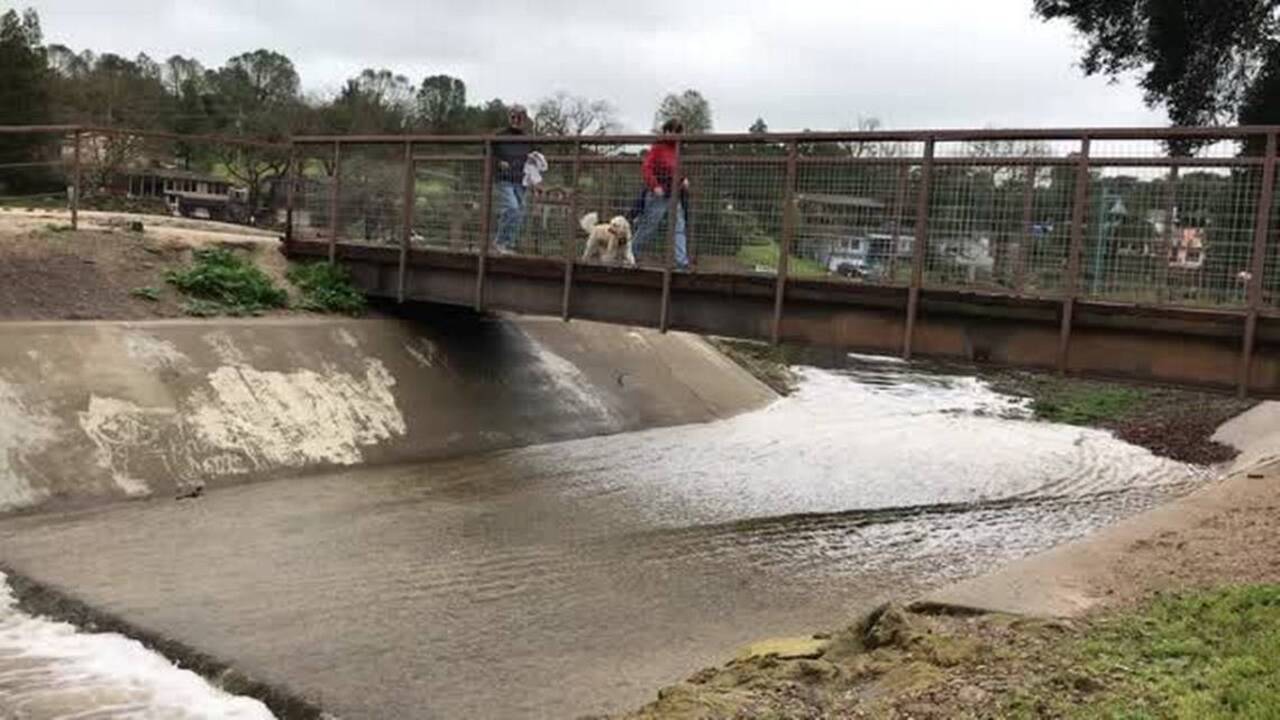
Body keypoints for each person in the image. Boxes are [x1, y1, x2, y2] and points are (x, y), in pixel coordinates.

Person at [631, 118, 690, 269]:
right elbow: (647, 167)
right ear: (667, 131)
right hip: (659, 195)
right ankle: (631, 254)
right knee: (649, 227)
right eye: (675, 132)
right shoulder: (658, 147)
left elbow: (676, 169)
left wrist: (683, 179)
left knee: (679, 227)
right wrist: (655, 186)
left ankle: (681, 263)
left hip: (674, 194)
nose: (677, 136)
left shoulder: (677, 149)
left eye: (679, 133)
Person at [492, 105, 533, 254]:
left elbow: (537, 155)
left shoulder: (528, 138)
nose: (516, 120)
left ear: (524, 119)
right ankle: (500, 242)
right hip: (504, 178)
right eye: (513, 117)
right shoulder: (499, 136)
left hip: (521, 180)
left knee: (519, 212)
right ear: (509, 118)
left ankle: (508, 243)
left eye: (519, 117)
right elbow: (487, 152)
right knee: (512, 207)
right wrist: (498, 162)